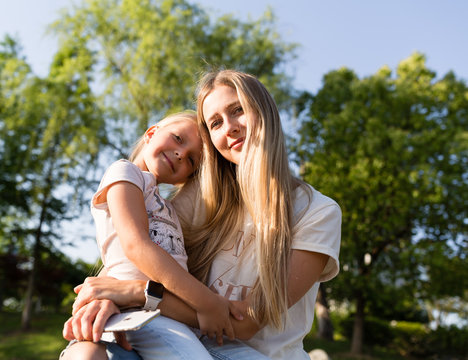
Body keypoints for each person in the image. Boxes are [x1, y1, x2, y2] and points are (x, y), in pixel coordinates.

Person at [63, 70, 342, 360]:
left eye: (238, 110)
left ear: (266, 112)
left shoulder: (317, 212)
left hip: (250, 352)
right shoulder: (202, 196)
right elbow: (140, 248)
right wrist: (110, 297)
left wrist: (136, 293)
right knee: (85, 353)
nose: (230, 127)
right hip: (179, 335)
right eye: (216, 123)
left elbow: (245, 323)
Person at [61, 111, 244, 360]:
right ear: (151, 133)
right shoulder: (124, 172)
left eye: (191, 160)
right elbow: (136, 246)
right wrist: (207, 302)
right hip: (138, 314)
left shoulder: (168, 208)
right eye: (178, 138)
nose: (181, 154)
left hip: (167, 314)